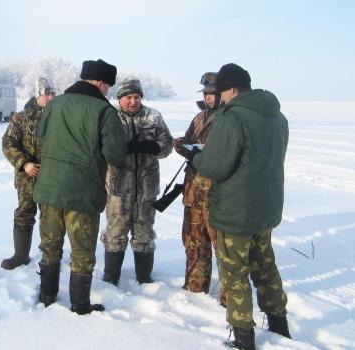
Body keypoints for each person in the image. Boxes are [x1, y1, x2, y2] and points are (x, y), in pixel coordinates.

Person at [185, 63, 291, 349]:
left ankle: (244, 337)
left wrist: (194, 157)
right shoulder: (277, 116)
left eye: (221, 91)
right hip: (266, 207)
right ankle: (280, 325)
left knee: (235, 274)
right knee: (266, 267)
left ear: (232, 89)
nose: (218, 97)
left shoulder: (232, 118)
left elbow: (216, 166)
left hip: (236, 210)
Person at [33, 59, 127, 315]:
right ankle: (80, 305)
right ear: (99, 83)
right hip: (82, 193)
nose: (108, 92)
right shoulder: (104, 111)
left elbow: (42, 137)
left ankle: (47, 296)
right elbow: (115, 153)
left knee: (50, 245)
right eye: (107, 86)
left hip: (50, 189)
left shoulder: (55, 105)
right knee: (82, 251)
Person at [100, 77, 173, 286]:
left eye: (137, 97)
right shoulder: (110, 117)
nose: (133, 101)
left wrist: (153, 148)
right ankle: (111, 276)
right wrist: (122, 148)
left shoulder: (154, 117)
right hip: (117, 187)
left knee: (145, 233)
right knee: (115, 232)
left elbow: (167, 144)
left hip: (146, 188)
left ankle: (144, 276)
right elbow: (100, 147)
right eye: (128, 97)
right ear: (120, 98)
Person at [172, 72, 226, 305]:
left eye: (213, 93)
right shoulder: (198, 117)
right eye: (206, 94)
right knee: (194, 243)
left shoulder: (228, 119)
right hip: (194, 192)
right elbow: (189, 142)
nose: (209, 98)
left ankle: (230, 300)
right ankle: (194, 292)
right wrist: (182, 145)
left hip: (217, 195)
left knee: (223, 248)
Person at [0, 77, 56, 270]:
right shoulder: (21, 118)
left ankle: (50, 256)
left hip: (52, 178)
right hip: (27, 178)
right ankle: (20, 255)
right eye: (46, 94)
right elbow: (8, 143)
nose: (50, 98)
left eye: (52, 94)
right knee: (24, 213)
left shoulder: (59, 117)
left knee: (51, 218)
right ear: (37, 95)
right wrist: (24, 163)